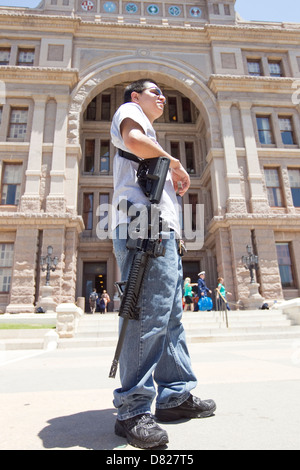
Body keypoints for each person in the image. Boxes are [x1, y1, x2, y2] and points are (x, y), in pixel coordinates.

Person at [110, 78, 216, 449]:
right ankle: (132, 410)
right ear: (136, 96)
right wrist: (175, 163)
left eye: (163, 93)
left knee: (170, 316)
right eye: (154, 91)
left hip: (158, 227)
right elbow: (135, 141)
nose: (162, 96)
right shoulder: (130, 112)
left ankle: (175, 396)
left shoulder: (149, 128)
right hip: (141, 221)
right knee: (146, 313)